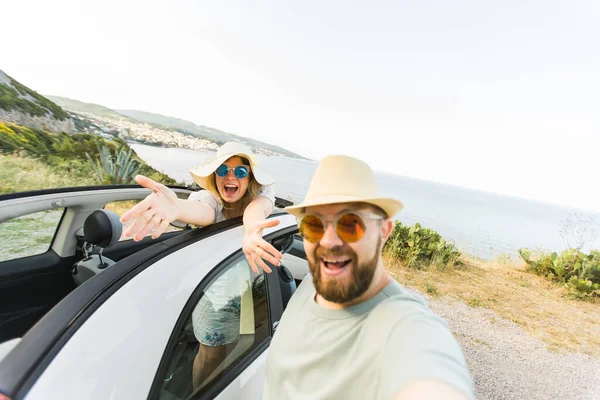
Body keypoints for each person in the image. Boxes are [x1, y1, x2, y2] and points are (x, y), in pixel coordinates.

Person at [262, 155, 475, 400]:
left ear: (383, 232)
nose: (329, 241)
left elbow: (431, 376)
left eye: (351, 224)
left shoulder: (403, 328)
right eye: (314, 225)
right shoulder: (316, 278)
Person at [119, 141, 283, 389]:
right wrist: (177, 208)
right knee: (210, 356)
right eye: (223, 170)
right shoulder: (210, 200)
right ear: (214, 176)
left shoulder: (261, 198)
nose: (230, 177)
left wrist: (252, 230)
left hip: (249, 290)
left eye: (240, 172)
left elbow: (256, 211)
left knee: (238, 352)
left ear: (250, 179)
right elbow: (202, 211)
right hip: (216, 295)